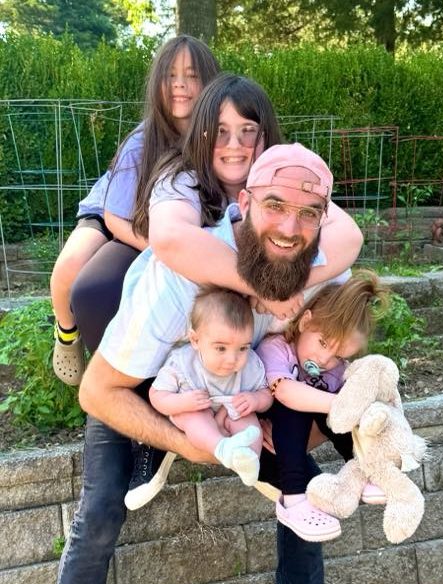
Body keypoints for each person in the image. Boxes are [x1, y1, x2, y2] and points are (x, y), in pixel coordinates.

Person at [39, 141, 373, 584]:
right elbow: (96, 391)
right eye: (275, 205)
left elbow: (325, 359)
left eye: (310, 213)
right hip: (141, 385)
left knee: (299, 477)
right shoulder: (179, 279)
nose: (291, 227)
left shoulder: (317, 271)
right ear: (244, 204)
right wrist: (186, 441)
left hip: (241, 387)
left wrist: (324, 417)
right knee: (101, 510)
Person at [123, 71, 363, 509]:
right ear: (201, 134)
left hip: (243, 355)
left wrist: (289, 283)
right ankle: (154, 440)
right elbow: (173, 240)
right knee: (153, 368)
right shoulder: (181, 178)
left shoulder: (290, 183)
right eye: (221, 132)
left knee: (297, 479)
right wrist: (262, 288)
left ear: (266, 135)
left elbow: (348, 238)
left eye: (248, 132)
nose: (235, 145)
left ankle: (288, 473)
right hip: (185, 324)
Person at [50, 35, 220, 384]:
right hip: (111, 211)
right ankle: (66, 333)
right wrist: (162, 250)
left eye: (191, 76)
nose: (180, 85)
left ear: (210, 82)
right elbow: (115, 218)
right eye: (170, 76)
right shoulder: (141, 142)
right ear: (157, 82)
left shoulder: (215, 135)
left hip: (155, 216)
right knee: (70, 266)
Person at [256, 272, 390, 541]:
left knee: (341, 407)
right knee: (300, 399)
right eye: (323, 343)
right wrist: (342, 405)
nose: (324, 359)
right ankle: (293, 501)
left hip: (293, 452)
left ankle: (367, 467)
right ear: (306, 322)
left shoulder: (334, 370)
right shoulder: (277, 348)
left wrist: (356, 405)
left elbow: (343, 415)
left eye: (338, 356)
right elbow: (283, 390)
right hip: (265, 451)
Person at [145, 287, 272, 500]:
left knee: (249, 422)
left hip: (230, 409)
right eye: (221, 348)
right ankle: (221, 447)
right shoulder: (182, 363)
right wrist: (181, 402)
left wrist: (255, 400)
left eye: (243, 348)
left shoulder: (250, 364)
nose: (233, 359)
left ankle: (249, 460)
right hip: (194, 409)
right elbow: (156, 395)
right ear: (195, 340)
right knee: (196, 418)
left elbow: (266, 394)